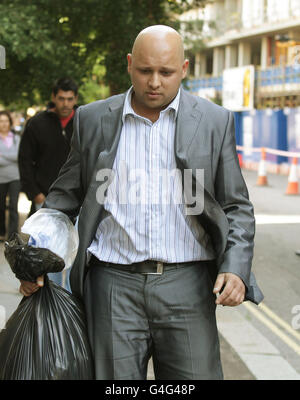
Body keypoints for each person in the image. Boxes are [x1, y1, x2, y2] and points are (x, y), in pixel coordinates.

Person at [18, 25, 264, 380]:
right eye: (145, 70)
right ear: (130, 64)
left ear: (184, 68)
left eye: (166, 72)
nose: (154, 82)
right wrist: (34, 258)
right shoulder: (92, 120)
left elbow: (236, 206)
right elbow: (62, 200)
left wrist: (236, 267)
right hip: (112, 287)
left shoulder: (214, 121)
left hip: (189, 287)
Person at [18, 77, 78, 290]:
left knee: (72, 258)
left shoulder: (83, 121)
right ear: (54, 97)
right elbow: (25, 161)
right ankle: (43, 302)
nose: (65, 104)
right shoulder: (37, 123)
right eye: (61, 98)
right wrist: (36, 195)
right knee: (41, 260)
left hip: (76, 204)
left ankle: (67, 304)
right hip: (44, 202)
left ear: (75, 99)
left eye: (70, 99)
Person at [0, 111, 21, 241]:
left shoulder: (16, 138)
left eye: (6, 121)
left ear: (10, 122)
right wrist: (10, 158)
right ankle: (1, 232)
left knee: (13, 205)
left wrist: (2, 155)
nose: (4, 124)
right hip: (0, 177)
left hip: (15, 177)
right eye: (1, 121)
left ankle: (13, 235)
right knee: (0, 206)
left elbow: (18, 156)